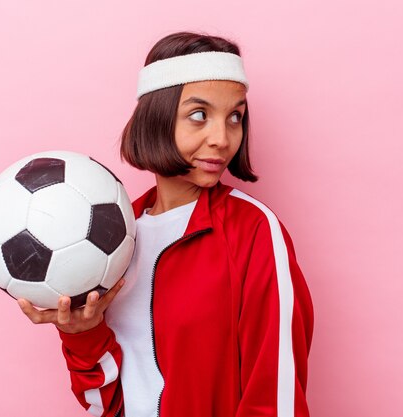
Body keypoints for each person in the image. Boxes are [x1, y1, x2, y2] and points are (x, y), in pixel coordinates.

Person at [18, 31, 314, 417]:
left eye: (235, 117)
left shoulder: (254, 231)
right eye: (199, 115)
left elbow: (277, 398)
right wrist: (81, 334)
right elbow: (105, 403)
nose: (223, 139)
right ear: (157, 116)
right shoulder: (113, 240)